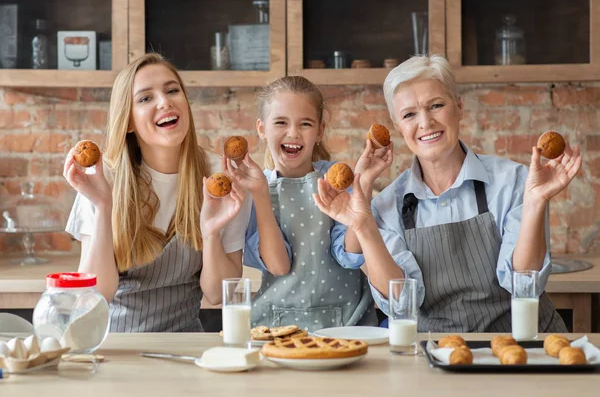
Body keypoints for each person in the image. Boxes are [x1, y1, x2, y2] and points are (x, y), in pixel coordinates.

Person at [314, 55, 582, 332]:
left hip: (522, 346)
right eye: (409, 115)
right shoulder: (388, 205)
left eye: (436, 105)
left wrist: (536, 201)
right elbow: (400, 304)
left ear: (459, 107)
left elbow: (524, 284)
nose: (426, 123)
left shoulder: (514, 181)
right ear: (398, 127)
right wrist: (363, 225)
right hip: (436, 354)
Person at [63, 53, 251, 332]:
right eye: (145, 98)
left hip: (186, 347)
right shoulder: (104, 179)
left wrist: (210, 233)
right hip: (115, 347)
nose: (165, 102)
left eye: (172, 90)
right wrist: (103, 206)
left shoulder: (219, 178)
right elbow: (95, 295)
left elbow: (218, 294)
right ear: (127, 121)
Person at [226, 76, 387, 331]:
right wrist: (261, 194)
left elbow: (350, 257)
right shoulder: (254, 191)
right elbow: (279, 266)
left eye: (305, 123)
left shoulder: (336, 179)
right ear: (261, 129)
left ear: (320, 131)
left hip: (348, 323)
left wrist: (363, 187)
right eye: (281, 122)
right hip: (277, 325)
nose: (293, 133)